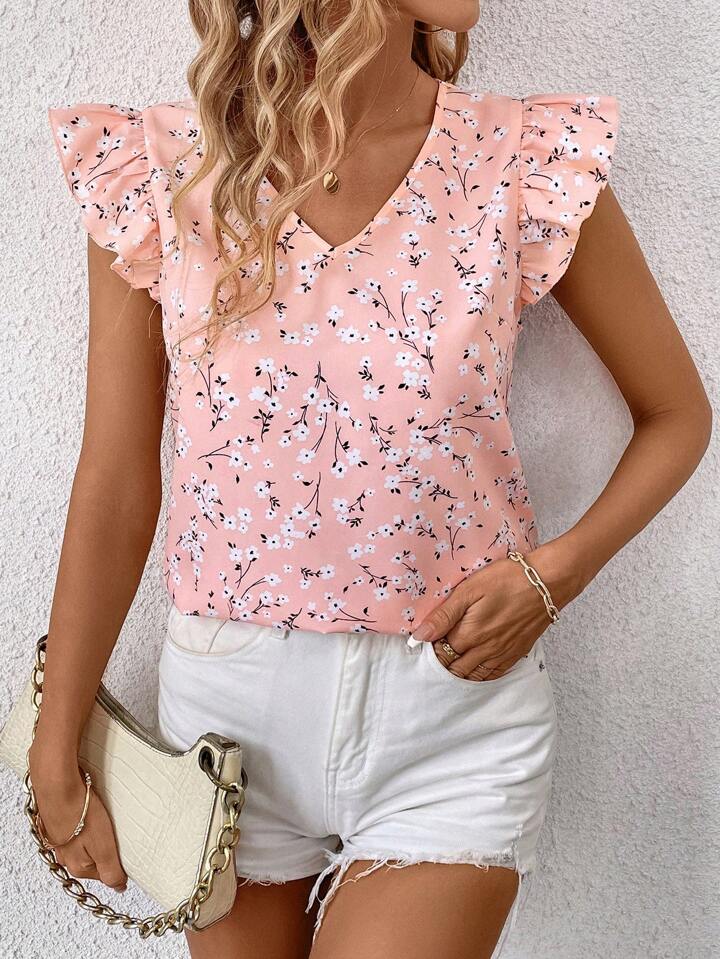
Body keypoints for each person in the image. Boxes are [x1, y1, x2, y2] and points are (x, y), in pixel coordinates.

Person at [29, 2, 712, 958]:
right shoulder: (160, 172)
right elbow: (114, 477)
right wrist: (54, 735)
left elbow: (679, 413)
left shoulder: (522, 161)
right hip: (226, 741)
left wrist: (556, 573)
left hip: (453, 726)